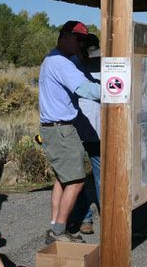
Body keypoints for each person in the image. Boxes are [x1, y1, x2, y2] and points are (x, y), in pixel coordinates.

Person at [39, 20, 100, 244]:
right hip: (62, 130)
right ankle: (59, 232)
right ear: (64, 36)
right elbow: (86, 89)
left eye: (83, 40)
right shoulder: (61, 63)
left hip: (54, 129)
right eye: (78, 39)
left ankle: (56, 227)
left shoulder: (51, 60)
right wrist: (119, 88)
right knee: (76, 181)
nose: (80, 44)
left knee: (63, 179)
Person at [71, 34, 101, 235]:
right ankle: (84, 218)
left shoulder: (107, 64)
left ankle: (109, 215)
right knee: (76, 177)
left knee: (102, 175)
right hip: (75, 129)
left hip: (99, 129)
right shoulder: (70, 66)